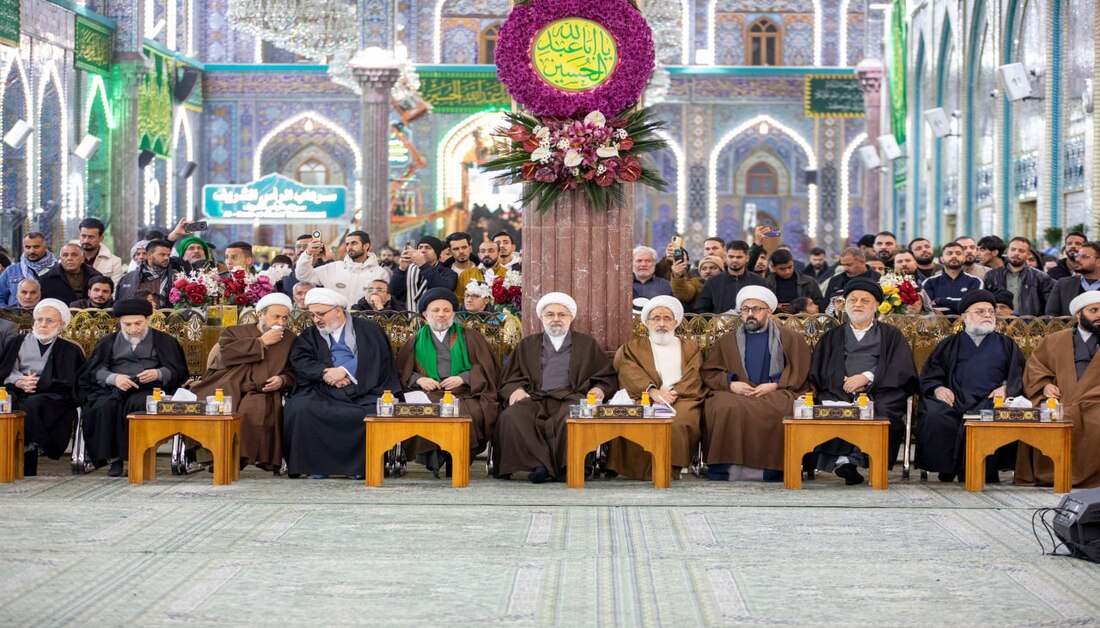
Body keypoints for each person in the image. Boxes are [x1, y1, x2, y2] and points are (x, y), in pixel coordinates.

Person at [496, 292, 616, 483]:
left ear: (571, 318)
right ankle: (538, 465)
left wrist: (600, 389)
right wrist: (516, 389)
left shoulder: (586, 344)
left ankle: (567, 466)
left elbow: (605, 376)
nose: (556, 319)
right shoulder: (528, 344)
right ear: (542, 318)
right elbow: (511, 376)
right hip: (534, 397)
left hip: (571, 397)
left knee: (573, 418)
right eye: (550, 315)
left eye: (561, 315)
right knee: (511, 416)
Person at [808, 279, 919, 485]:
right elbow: (819, 370)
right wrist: (843, 381)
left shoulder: (891, 335)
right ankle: (845, 461)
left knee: (884, 411)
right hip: (840, 389)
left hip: (881, 391)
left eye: (864, 300)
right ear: (845, 304)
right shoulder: (832, 336)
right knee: (832, 406)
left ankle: (860, 460)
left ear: (876, 306)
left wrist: (868, 377)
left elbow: (901, 368)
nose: (858, 304)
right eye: (853, 300)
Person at [282, 288, 400, 479]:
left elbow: (376, 357)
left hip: (363, 387)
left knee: (370, 412)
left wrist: (345, 371)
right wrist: (325, 373)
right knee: (300, 407)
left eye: (320, 314)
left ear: (338, 310)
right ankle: (316, 466)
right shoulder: (310, 334)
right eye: (313, 315)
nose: (316, 319)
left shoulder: (368, 329)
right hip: (323, 386)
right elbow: (301, 360)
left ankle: (359, 468)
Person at [701, 286, 811, 482]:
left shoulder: (791, 338)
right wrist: (731, 383)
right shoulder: (727, 341)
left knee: (781, 407)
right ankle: (726, 469)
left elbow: (800, 369)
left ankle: (772, 471)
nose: (750, 314)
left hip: (777, 390)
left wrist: (775, 385)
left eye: (756, 309)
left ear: (769, 311)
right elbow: (710, 371)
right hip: (737, 392)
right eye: (745, 309)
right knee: (721, 405)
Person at [915, 290, 1025, 483]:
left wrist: (1007, 388)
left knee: (995, 416)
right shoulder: (949, 344)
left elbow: (1019, 374)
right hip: (955, 398)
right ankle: (946, 468)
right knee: (935, 415)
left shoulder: (1006, 344)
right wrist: (939, 389)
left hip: (991, 401)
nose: (987, 315)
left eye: (990, 311)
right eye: (980, 311)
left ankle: (985, 469)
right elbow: (930, 375)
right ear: (964, 317)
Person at [77, 299, 189, 477]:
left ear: (147, 320)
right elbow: (92, 371)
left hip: (150, 389)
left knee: (139, 405)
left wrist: (158, 373)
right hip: (113, 389)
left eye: (138, 323)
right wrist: (113, 378)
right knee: (104, 406)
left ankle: (138, 456)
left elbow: (180, 372)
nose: (133, 329)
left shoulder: (165, 341)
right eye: (127, 325)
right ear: (119, 323)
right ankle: (114, 459)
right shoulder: (107, 341)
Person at [395, 288, 499, 474]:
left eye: (446, 310)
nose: (441, 315)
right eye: (435, 310)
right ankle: (437, 458)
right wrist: (420, 380)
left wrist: (463, 378)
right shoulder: (414, 340)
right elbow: (402, 371)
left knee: (472, 412)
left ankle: (457, 460)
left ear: (453, 314)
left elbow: (487, 368)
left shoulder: (470, 337)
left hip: (466, 392)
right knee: (426, 410)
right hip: (429, 392)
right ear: (425, 314)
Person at [190, 293, 297, 473]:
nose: (281, 322)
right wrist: (260, 342)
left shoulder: (290, 339)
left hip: (261, 389)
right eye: (276, 316)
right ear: (260, 314)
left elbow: (295, 370)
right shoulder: (235, 332)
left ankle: (236, 459)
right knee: (213, 404)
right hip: (228, 382)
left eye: (285, 318)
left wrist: (282, 380)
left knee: (252, 409)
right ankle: (213, 454)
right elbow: (226, 355)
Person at [607, 296, 704, 480]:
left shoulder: (690, 348)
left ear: (675, 322)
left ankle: (670, 468)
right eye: (656, 318)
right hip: (644, 396)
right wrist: (653, 392)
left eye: (667, 318)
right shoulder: (633, 348)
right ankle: (637, 470)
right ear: (647, 322)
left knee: (678, 421)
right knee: (634, 419)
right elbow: (629, 373)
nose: (661, 324)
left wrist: (674, 393)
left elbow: (694, 375)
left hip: (682, 398)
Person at [1019, 291, 1100, 487]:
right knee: (1042, 415)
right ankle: (1053, 473)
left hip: (1095, 401)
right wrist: (1045, 386)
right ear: (1078, 314)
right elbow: (1036, 367)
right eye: (1094, 310)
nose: (1099, 315)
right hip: (1059, 399)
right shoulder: (1055, 340)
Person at [0, 299, 86, 476]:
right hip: (17, 389)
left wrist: (38, 383)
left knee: (33, 405)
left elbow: (71, 381)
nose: (43, 324)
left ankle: (31, 449)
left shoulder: (70, 349)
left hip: (52, 394)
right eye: (39, 319)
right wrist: (19, 381)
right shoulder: (17, 341)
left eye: (49, 320)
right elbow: (5, 370)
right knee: (9, 403)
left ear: (61, 324)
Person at [294, 231, 389, 307]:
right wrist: (307, 254)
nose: (349, 247)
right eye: (347, 244)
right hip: (336, 320)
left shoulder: (380, 273)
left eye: (354, 243)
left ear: (366, 246)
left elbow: (384, 300)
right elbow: (303, 276)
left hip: (366, 321)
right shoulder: (334, 267)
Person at [983, 237, 1054, 316]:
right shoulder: (991, 276)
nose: (1016, 253)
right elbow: (985, 303)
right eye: (1013, 249)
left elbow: (1049, 307)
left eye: (1021, 251)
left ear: (1028, 254)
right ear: (1008, 251)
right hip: (999, 322)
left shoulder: (1041, 277)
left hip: (1030, 322)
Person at [692, 241, 768, 313]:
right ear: (725, 257)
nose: (734, 260)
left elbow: (767, 307)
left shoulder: (758, 281)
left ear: (747, 258)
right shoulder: (713, 282)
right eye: (731, 257)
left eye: (739, 257)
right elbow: (701, 309)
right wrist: (716, 320)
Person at [389, 236, 458, 309]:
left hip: (434, 314)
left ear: (437, 253)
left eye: (428, 248)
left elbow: (443, 289)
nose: (423, 250)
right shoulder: (408, 269)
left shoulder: (448, 273)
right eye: (420, 247)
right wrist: (401, 269)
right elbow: (392, 291)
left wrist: (423, 265)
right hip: (407, 314)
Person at [923, 242, 984, 315]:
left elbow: (973, 305)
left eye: (958, 253)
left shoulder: (975, 281)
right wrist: (960, 304)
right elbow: (927, 308)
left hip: (967, 321)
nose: (954, 256)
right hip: (936, 322)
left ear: (964, 258)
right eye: (949, 253)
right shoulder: (929, 282)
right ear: (942, 259)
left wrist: (939, 300)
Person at [0, 232, 56, 306]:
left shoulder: (57, 270)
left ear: (45, 247)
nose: (32, 251)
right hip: (15, 312)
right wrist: (7, 312)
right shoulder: (11, 271)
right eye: (28, 247)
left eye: (36, 247)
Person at [115, 240, 176, 306]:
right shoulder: (127, 279)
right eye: (162, 254)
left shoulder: (176, 277)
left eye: (168, 255)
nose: (166, 258)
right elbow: (121, 305)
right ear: (149, 255)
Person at [1046, 241, 1100, 316]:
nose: (1077, 259)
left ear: (1098, 261)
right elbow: (1051, 316)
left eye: (1084, 256)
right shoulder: (1063, 285)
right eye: (1077, 255)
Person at [40, 243, 104, 305]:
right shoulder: (46, 280)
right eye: (65, 255)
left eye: (74, 255)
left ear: (83, 258)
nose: (69, 258)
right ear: (60, 259)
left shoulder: (95, 277)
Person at [763, 248, 824, 313]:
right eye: (782, 269)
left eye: (790, 267)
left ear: (793, 263)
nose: (787, 271)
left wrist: (805, 308)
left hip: (804, 318)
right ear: (773, 267)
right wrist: (776, 307)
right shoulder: (766, 284)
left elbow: (820, 304)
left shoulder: (810, 282)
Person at [78, 218, 124, 282]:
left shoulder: (114, 262)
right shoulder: (68, 256)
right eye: (83, 236)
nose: (86, 240)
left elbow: (115, 287)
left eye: (91, 237)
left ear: (101, 238)